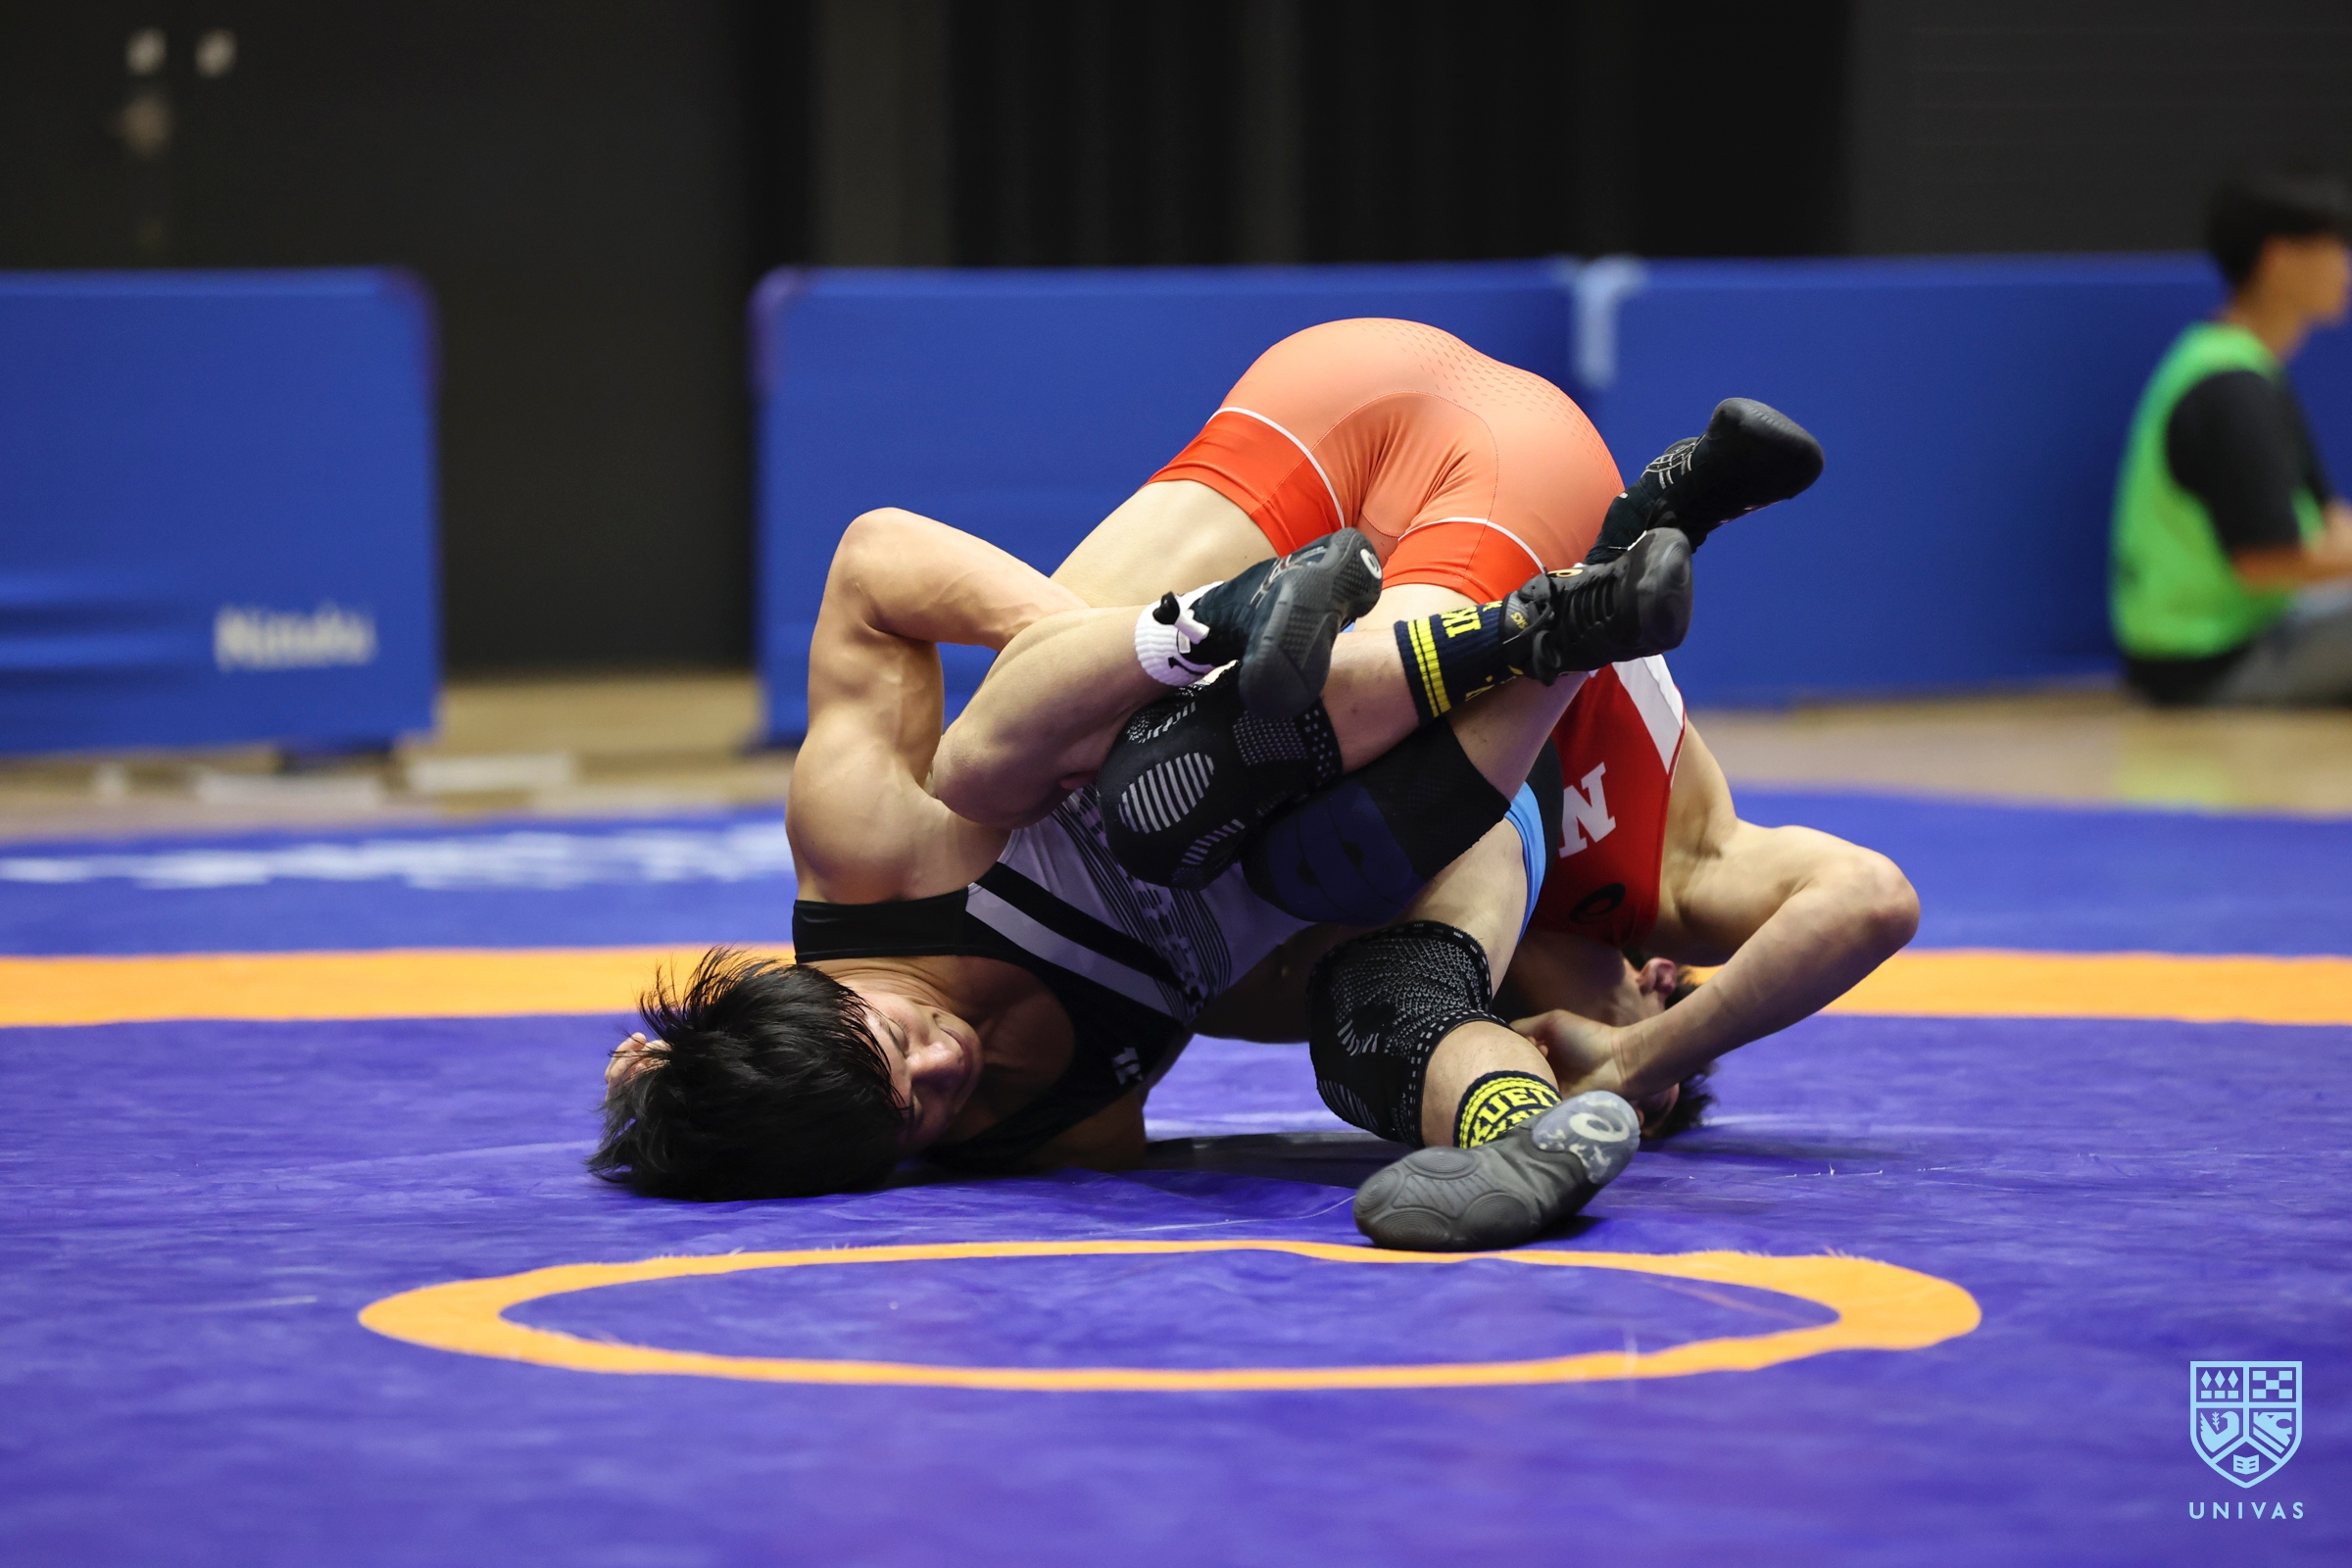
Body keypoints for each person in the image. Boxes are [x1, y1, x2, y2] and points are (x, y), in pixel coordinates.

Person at [593, 318, 1818, 1250]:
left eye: (900, 1043)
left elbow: (873, 559)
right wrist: (1490, 1029)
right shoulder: (1042, 1128)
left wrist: (1140, 661)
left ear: (802, 986)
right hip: (1472, 604)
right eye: (917, 1114)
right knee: (1340, 922)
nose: (945, 1069)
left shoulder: (866, 855)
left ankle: (1219, 626)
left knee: (1037, 769)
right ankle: (1593, 591)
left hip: (1328, 445)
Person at [2112, 166, 2352, 706]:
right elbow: (2265, 559)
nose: (2346, 267)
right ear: (2280, 259)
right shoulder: (2229, 387)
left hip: (2260, 630)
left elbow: (2329, 521)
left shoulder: (2249, 367)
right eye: (2333, 248)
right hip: (2210, 662)